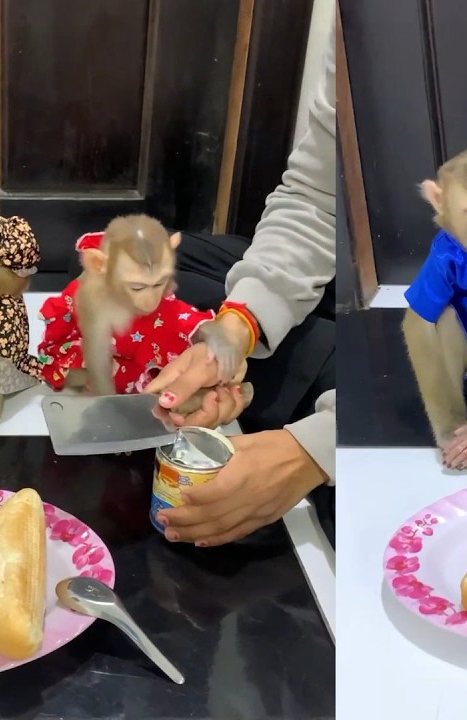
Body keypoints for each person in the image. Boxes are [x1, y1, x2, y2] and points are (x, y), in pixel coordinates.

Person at [141, 26, 336, 550]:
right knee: (146, 274)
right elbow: (318, 202)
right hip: (369, 285)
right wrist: (238, 327)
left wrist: (316, 449)